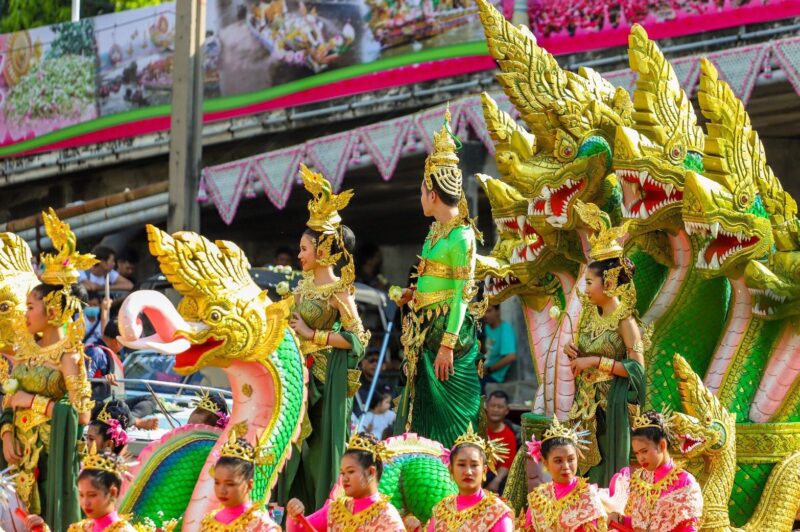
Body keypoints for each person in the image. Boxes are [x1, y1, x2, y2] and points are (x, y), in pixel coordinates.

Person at [278, 165, 370, 510]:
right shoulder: (300, 287)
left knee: (320, 457)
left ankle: (325, 514)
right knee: (291, 454)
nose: (300, 254)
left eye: (304, 248)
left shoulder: (340, 291)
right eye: (300, 248)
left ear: (322, 250)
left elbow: (358, 339)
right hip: (297, 378)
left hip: (324, 383)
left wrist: (312, 334)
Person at [393, 106, 483, 448]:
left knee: (450, 421)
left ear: (432, 192)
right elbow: (433, 280)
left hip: (448, 333)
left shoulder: (462, 236)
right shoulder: (434, 231)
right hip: (423, 328)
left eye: (420, 191)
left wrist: (447, 345)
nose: (420, 198)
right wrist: (412, 295)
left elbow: (462, 294)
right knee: (421, 412)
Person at [0, 209, 95, 529]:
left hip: (50, 457)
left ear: (53, 309)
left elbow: (81, 416)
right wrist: (7, 434)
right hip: (18, 453)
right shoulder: (25, 348)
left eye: (30, 307)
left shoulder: (70, 356)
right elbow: (9, 398)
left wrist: (33, 402)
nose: (24, 315)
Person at [564, 223, 646, 487]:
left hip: (611, 410)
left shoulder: (626, 322)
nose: (585, 289)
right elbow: (586, 353)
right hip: (585, 407)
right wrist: (575, 352)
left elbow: (637, 370)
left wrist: (596, 361)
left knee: (606, 477)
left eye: (589, 282)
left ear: (608, 282)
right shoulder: (590, 313)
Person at [285, 432, 405, 531]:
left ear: (371, 472)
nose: (345, 478)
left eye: (351, 472)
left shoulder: (387, 518)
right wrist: (295, 515)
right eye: (342, 473)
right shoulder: (336, 511)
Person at [607, 410, 703, 531]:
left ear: (662, 445)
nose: (640, 458)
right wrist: (620, 519)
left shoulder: (685, 482)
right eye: (636, 453)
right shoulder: (639, 479)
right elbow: (640, 524)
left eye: (644, 451)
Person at [23, 444, 139, 532]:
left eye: (92, 495)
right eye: (81, 495)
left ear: (113, 492)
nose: (85, 502)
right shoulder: (80, 528)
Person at [521, 417, 607, 531]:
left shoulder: (587, 495)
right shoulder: (538, 497)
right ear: (545, 462)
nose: (566, 467)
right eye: (558, 461)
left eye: (571, 459)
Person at [428, 424, 513, 531]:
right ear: (451, 469)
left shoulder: (498, 513)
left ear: (484, 470)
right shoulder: (441, 509)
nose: (468, 472)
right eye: (461, 465)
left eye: (474, 465)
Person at [200, 431, 280, 531]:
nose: (222, 490)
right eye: (217, 482)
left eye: (230, 484)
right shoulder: (209, 522)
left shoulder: (261, 525)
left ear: (249, 485)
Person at [484, 391, 517, 494]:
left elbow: (505, 465)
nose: (495, 409)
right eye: (493, 406)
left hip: (493, 476)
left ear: (506, 410)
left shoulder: (509, 436)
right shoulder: (477, 428)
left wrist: (496, 481)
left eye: (500, 407)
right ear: (486, 407)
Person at [352, 348, 394, 421]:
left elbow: (394, 411)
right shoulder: (354, 385)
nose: (375, 364)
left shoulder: (388, 388)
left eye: (379, 361)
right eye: (371, 360)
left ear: (383, 366)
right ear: (363, 363)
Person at [482, 305, 517, 387]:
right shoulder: (486, 328)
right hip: (482, 372)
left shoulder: (505, 328)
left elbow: (511, 356)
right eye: (484, 311)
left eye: (489, 311)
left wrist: (489, 369)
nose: (486, 315)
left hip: (494, 377)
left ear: (498, 311)